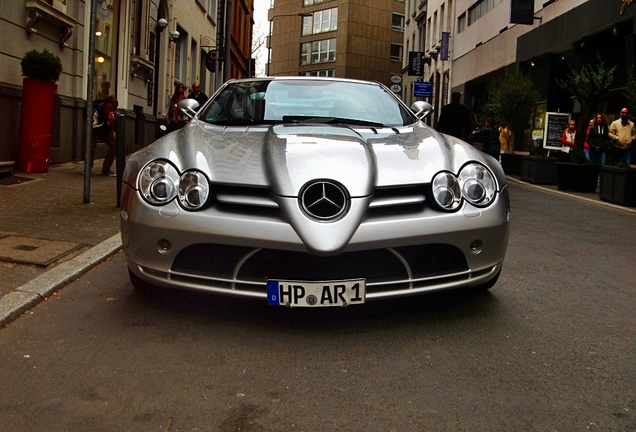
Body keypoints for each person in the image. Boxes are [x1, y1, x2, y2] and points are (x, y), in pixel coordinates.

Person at [90, 95, 118, 176]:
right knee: (91, 142)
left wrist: (114, 122)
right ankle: (88, 167)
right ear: (104, 106)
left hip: (106, 132)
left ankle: (106, 169)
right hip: (95, 131)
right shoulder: (96, 111)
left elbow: (119, 130)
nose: (111, 111)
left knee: (115, 141)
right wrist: (107, 123)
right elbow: (93, 128)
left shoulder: (116, 114)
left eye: (113, 109)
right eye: (109, 109)